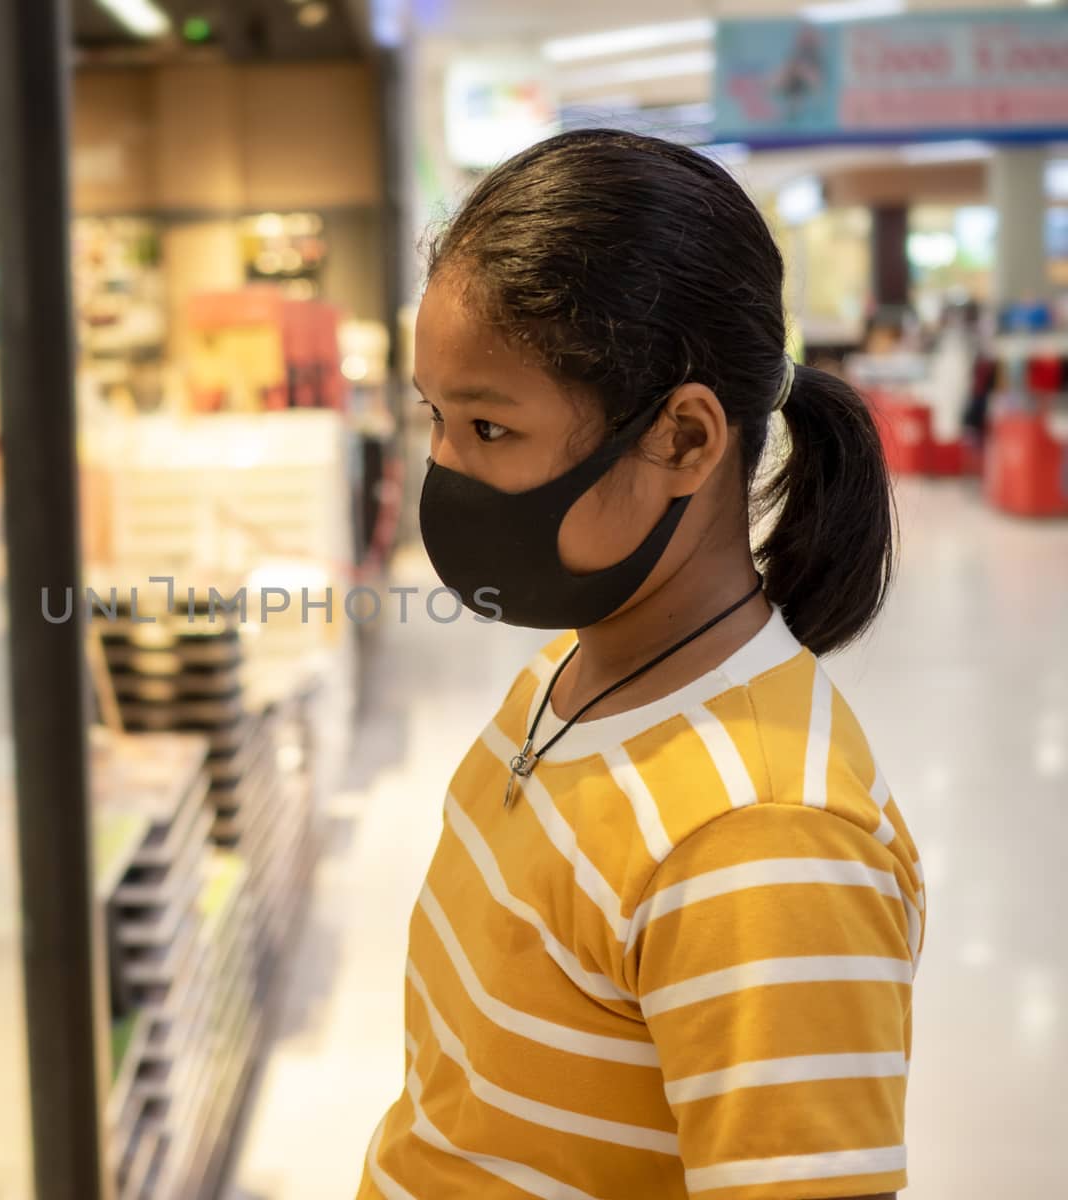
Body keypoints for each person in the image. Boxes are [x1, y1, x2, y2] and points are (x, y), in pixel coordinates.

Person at [359, 130, 922, 1200]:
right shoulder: (572, 675)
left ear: (684, 442)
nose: (443, 468)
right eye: (435, 417)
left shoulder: (762, 846)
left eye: (487, 426)